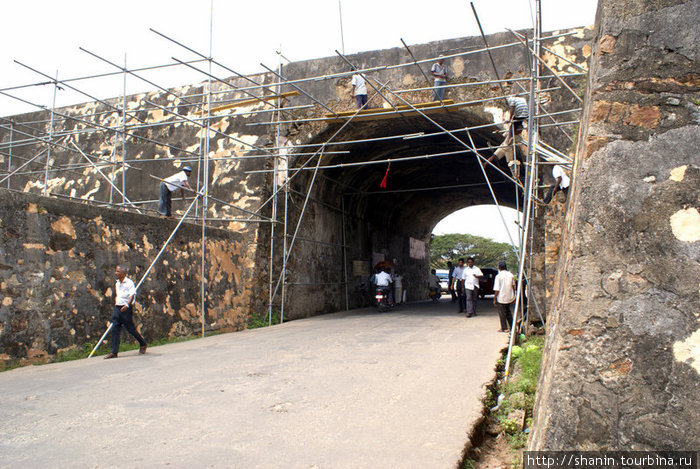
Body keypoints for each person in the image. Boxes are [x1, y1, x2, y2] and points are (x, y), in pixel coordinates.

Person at [104, 265, 147, 359]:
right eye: (116, 271)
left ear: (123, 273)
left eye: (118, 272)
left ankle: (142, 343)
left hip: (126, 308)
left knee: (130, 329)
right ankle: (114, 352)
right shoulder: (117, 283)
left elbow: (132, 295)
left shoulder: (129, 283)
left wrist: (127, 305)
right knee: (115, 329)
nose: (116, 273)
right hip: (117, 307)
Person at [483, 95, 529, 181]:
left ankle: (517, 176)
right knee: (498, 156)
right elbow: (507, 135)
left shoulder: (512, 100)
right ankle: (486, 163)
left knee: (507, 160)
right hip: (506, 146)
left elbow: (512, 109)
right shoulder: (521, 100)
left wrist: (509, 119)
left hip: (507, 146)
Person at [493, 261, 516, 332]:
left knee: (502, 313)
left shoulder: (498, 276)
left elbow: (497, 289)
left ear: (499, 267)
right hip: (509, 296)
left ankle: (504, 328)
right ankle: (512, 327)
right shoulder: (511, 275)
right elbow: (513, 286)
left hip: (502, 297)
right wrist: (514, 295)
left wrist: (494, 298)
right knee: (508, 312)